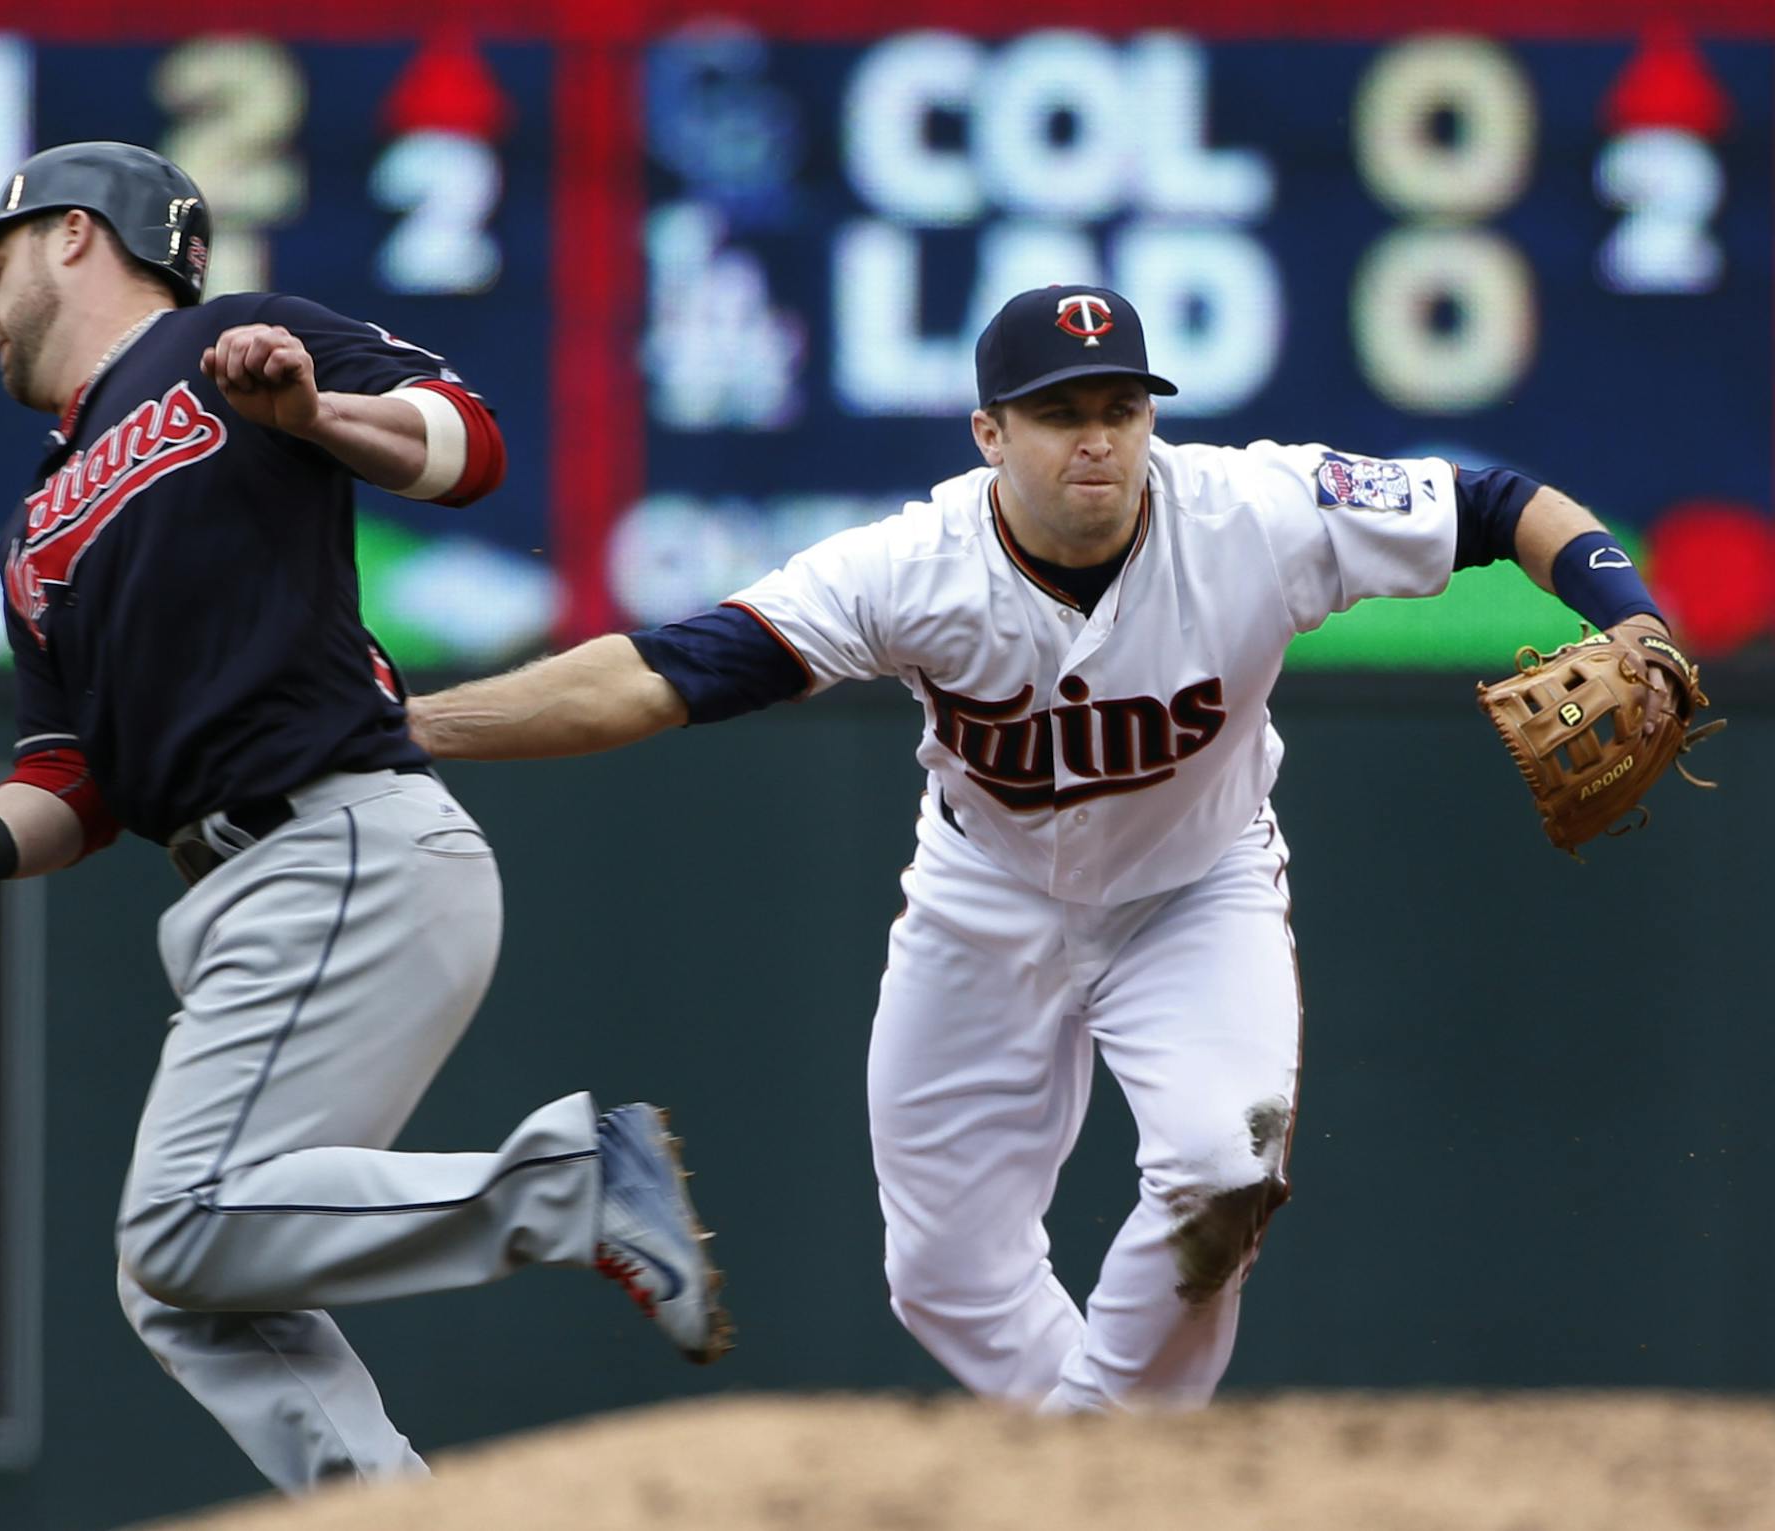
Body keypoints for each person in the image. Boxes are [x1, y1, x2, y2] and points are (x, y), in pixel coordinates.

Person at [406, 283, 1694, 1412]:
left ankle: (1100, 1488)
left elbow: (1498, 503)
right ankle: (1126, 1485)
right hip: (986, 896)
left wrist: (1632, 618)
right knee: (941, 1275)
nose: (1098, 439)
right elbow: (658, 676)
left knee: (1223, 1170)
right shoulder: (908, 565)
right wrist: (412, 724)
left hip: (1200, 891)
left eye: (1121, 408)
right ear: (989, 433)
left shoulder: (1259, 511)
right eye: (1061, 410)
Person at [0, 141, 728, 1493]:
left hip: (341, 843)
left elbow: (466, 447)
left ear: (77, 234)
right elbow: (75, 777)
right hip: (243, 891)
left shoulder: (236, 348)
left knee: (179, 1224)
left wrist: (312, 418)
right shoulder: (32, 533)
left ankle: (572, 1181)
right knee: (185, 1279)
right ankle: (387, 1510)